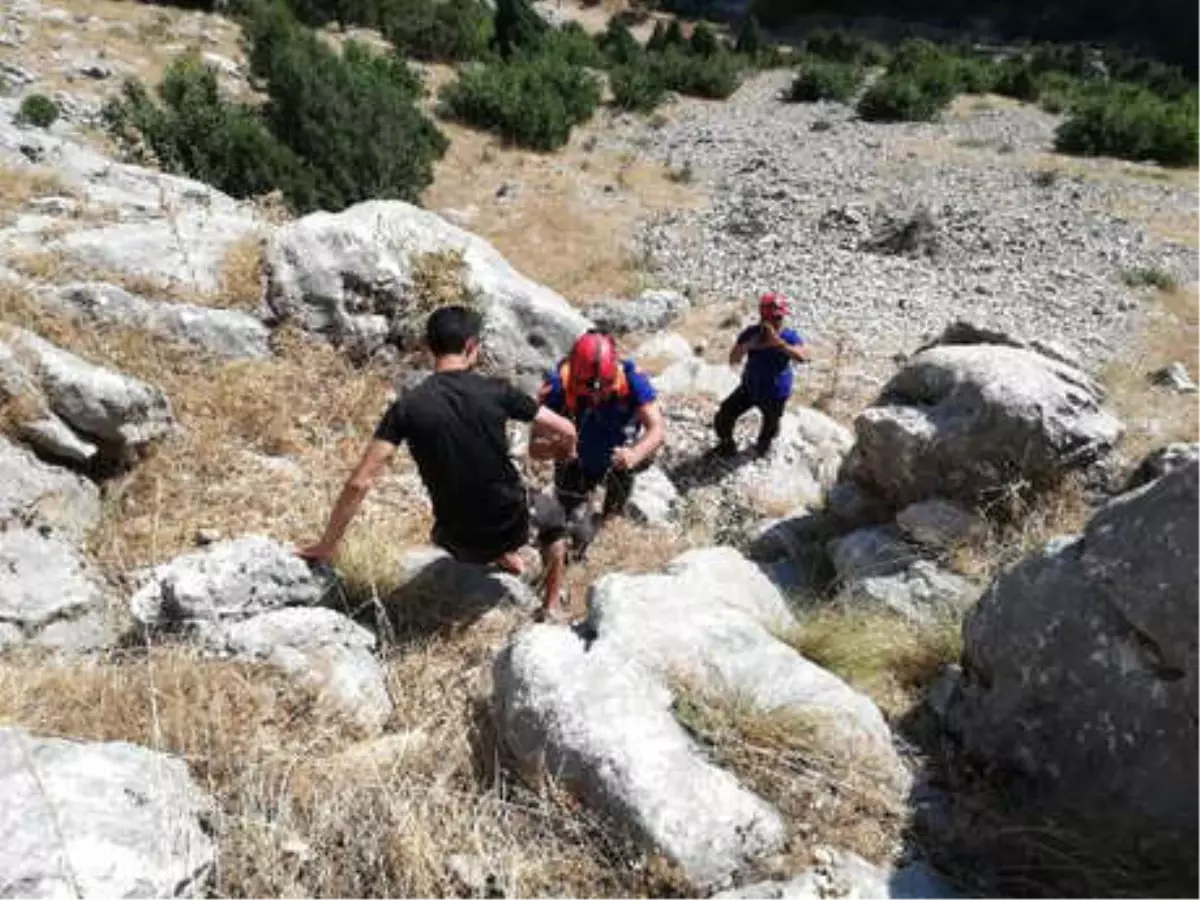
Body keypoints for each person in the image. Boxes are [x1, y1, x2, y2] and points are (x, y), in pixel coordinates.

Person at [298, 305, 577, 578]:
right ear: (470, 346)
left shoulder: (407, 407)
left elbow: (360, 482)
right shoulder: (497, 391)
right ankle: (550, 608)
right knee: (554, 518)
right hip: (510, 528)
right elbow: (565, 428)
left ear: (428, 347)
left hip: (455, 538)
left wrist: (327, 544)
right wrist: (567, 451)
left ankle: (501, 556)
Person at [529, 329, 666, 620]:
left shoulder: (632, 382)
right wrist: (559, 448)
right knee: (570, 518)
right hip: (574, 463)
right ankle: (570, 555)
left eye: (602, 388)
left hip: (618, 460)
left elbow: (656, 429)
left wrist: (635, 455)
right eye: (588, 389)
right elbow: (535, 446)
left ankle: (608, 519)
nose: (595, 395)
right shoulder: (559, 387)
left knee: (616, 500)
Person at [713, 292, 810, 458]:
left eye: (780, 318)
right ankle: (727, 443)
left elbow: (803, 356)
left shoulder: (788, 336)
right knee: (724, 414)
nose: (777, 322)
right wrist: (749, 346)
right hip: (750, 387)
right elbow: (733, 359)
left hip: (775, 392)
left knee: (770, 424)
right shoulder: (751, 333)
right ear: (763, 317)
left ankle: (763, 446)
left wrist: (779, 344)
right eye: (773, 318)